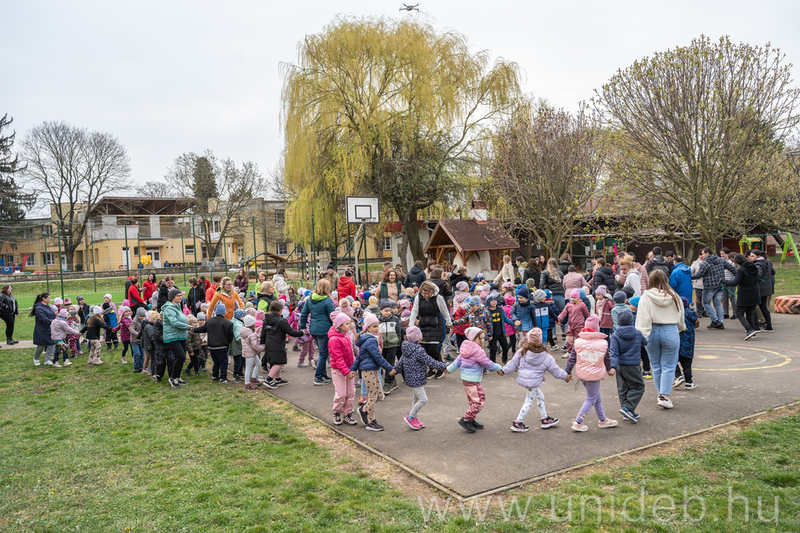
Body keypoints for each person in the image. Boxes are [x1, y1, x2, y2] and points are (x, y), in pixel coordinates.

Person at [635, 270, 686, 409]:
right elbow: (681, 315)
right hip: (670, 330)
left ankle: (660, 395)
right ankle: (665, 396)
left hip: (651, 330)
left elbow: (643, 317)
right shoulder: (674, 296)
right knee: (669, 365)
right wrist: (681, 327)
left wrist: (642, 335)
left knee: (656, 365)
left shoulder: (646, 296)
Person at [500, 328, 566, 432]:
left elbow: (512, 363)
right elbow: (556, 370)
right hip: (533, 382)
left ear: (529, 339)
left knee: (540, 397)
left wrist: (503, 371)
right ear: (540, 340)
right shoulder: (546, 356)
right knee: (529, 401)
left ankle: (545, 418)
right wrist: (566, 376)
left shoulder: (522, 351)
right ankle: (518, 422)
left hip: (525, 380)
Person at [564, 315, 617, 431]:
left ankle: (602, 419)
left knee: (596, 397)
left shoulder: (578, 342)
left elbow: (572, 358)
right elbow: (607, 358)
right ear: (597, 328)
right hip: (594, 375)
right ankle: (578, 422)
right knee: (591, 398)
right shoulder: (603, 343)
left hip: (582, 375)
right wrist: (609, 369)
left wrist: (567, 372)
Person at [447, 327, 502, 433]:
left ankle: (471, 419)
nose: (482, 341)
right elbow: (487, 363)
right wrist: (499, 368)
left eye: (483, 338)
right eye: (480, 338)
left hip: (466, 380)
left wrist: (448, 369)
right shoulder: (478, 351)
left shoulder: (465, 348)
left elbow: (457, 362)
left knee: (473, 401)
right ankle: (466, 419)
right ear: (473, 338)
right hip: (473, 381)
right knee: (479, 401)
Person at [393, 326, 449, 430]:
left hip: (411, 378)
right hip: (417, 379)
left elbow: (400, 361)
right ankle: (410, 417)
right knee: (423, 399)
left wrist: (395, 370)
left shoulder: (406, 348)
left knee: (416, 399)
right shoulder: (419, 350)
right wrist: (444, 366)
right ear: (419, 337)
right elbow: (430, 361)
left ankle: (414, 417)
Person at [352, 313, 396, 432]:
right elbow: (378, 357)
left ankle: (364, 410)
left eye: (377, 326)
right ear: (367, 327)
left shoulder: (369, 339)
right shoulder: (370, 340)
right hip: (368, 371)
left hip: (374, 369)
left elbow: (359, 357)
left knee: (380, 395)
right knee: (372, 396)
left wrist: (352, 369)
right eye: (374, 326)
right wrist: (389, 368)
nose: (377, 329)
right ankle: (370, 421)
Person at [609, 309, 647, 423]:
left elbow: (614, 352)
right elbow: (645, 343)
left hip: (620, 365)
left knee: (623, 388)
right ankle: (628, 408)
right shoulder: (637, 333)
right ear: (632, 320)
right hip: (633, 364)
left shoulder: (615, 335)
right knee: (638, 387)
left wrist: (613, 367)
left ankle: (627, 412)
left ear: (618, 321)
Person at [407, 281, 452, 375]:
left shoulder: (438, 298)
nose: (426, 295)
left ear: (432, 291)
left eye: (428, 293)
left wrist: (449, 322)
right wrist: (411, 325)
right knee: (425, 349)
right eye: (424, 293)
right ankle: (431, 369)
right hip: (423, 324)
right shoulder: (418, 297)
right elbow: (414, 311)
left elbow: (444, 310)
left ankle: (441, 367)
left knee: (432, 349)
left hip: (435, 325)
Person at [260, 300, 304, 388]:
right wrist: (302, 333)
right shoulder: (281, 321)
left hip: (269, 343)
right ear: (280, 309)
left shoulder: (266, 319)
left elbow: (263, 333)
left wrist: (263, 343)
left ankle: (278, 379)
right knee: (280, 362)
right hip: (278, 344)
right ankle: (269, 379)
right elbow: (291, 332)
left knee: (275, 361)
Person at [300, 279, 335, 386]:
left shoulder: (310, 299)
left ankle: (323, 375)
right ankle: (318, 377)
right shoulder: (327, 300)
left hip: (314, 329)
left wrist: (302, 327)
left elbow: (304, 314)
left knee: (322, 352)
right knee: (324, 354)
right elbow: (332, 315)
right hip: (324, 329)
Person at [691, 247, 737, 329]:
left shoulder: (705, 264)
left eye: (703, 254)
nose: (702, 255)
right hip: (720, 285)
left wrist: (689, 276)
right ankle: (720, 322)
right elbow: (732, 268)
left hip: (709, 287)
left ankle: (715, 320)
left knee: (706, 303)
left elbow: (698, 275)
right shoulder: (721, 260)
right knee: (717, 303)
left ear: (707, 253)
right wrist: (737, 277)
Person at [327, 313, 358, 425]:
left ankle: (348, 414)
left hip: (349, 369)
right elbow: (338, 358)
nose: (350, 325)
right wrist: (346, 371)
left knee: (351, 392)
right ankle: (337, 412)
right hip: (339, 370)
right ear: (339, 325)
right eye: (347, 324)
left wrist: (353, 366)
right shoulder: (334, 339)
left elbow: (351, 352)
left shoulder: (346, 335)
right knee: (341, 394)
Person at [722, 253, 761, 340]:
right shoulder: (753, 267)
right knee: (750, 312)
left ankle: (749, 329)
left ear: (737, 262)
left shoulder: (741, 270)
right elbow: (758, 278)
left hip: (744, 293)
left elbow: (734, 282)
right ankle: (752, 330)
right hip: (755, 291)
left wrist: (723, 281)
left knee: (739, 313)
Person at [194, 303, 234, 383]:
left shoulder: (209, 321)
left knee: (216, 362)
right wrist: (228, 342)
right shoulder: (228, 323)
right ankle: (223, 377)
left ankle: (214, 376)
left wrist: (193, 329)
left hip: (212, 345)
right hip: (222, 345)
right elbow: (230, 335)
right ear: (224, 312)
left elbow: (202, 329)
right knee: (223, 362)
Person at [161, 287, 190, 388]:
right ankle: (172, 378)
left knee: (181, 357)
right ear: (173, 297)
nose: (181, 297)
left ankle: (178, 377)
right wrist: (188, 327)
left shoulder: (177, 307)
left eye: (181, 295)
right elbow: (174, 322)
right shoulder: (169, 309)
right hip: (172, 336)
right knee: (181, 356)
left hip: (181, 336)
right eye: (178, 296)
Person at [377, 299, 403, 392]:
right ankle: (392, 380)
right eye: (385, 310)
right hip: (383, 345)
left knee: (390, 363)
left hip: (392, 344)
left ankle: (388, 382)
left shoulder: (395, 319)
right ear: (381, 310)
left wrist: (398, 340)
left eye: (389, 310)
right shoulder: (378, 321)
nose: (388, 312)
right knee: (384, 363)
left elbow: (398, 331)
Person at [673, 297, 698, 390]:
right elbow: (696, 322)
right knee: (687, 363)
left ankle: (678, 375)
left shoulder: (675, 313)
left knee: (672, 360)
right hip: (688, 343)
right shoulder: (691, 313)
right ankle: (689, 382)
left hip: (676, 341)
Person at [749, 250, 775, 333]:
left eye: (752, 256)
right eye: (750, 256)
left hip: (759, 288)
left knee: (753, 307)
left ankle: (756, 327)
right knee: (763, 307)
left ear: (758, 256)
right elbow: (773, 272)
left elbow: (758, 275)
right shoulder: (767, 262)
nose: (750, 257)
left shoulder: (758, 264)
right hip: (766, 288)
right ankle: (769, 326)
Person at [557, 289, 590, 354]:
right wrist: (558, 318)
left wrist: (590, 321)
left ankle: (580, 352)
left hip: (579, 325)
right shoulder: (568, 305)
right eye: (571, 297)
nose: (572, 299)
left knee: (579, 339)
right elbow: (564, 313)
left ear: (578, 298)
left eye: (574, 298)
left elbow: (587, 314)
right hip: (570, 325)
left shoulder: (582, 304)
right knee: (569, 339)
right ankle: (568, 352)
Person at [539, 258, 566, 337]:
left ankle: (553, 335)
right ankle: (563, 332)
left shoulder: (545, 272)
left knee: (551, 314)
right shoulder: (560, 273)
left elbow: (541, 285)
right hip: (560, 294)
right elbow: (563, 284)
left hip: (550, 296)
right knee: (562, 314)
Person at [486, 296, 515, 363]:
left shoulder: (500, 309)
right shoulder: (486, 311)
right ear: (488, 302)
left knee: (505, 347)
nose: (494, 302)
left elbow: (506, 319)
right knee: (493, 349)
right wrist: (487, 334)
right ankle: (492, 363)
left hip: (501, 332)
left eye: (495, 300)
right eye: (492, 301)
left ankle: (504, 359)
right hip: (492, 334)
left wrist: (514, 323)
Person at [239, 314, 264, 390]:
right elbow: (255, 346)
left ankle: (253, 377)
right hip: (250, 353)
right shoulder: (252, 334)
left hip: (248, 351)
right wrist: (263, 348)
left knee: (258, 363)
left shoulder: (243, 331)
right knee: (248, 368)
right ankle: (247, 384)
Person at [30, 293, 55, 365]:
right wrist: (53, 322)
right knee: (41, 345)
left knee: (52, 344)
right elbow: (43, 319)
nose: (49, 299)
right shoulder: (39, 308)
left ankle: (47, 360)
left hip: (50, 328)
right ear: (43, 299)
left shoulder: (48, 306)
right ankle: (36, 358)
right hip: (41, 329)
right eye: (48, 298)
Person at [129, 307, 146, 373]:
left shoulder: (144, 321)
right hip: (134, 341)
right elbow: (131, 329)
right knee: (137, 354)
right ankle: (135, 366)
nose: (142, 317)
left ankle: (141, 367)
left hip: (141, 341)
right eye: (140, 316)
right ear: (137, 315)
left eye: (143, 316)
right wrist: (138, 334)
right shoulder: (134, 322)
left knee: (142, 355)